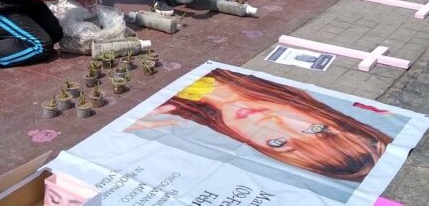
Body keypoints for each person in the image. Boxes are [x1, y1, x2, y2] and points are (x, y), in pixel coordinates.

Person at [126, 68, 392, 182]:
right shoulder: (234, 77)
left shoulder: (168, 114)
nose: (271, 123)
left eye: (279, 143)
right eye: (312, 129)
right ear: (325, 115)